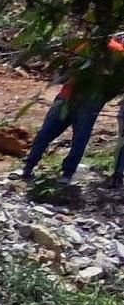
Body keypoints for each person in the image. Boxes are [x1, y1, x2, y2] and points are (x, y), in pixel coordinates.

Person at [23, 29, 124, 189]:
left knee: (45, 134)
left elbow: (70, 65)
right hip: (88, 101)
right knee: (79, 140)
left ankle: (28, 167)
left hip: (67, 97)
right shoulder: (117, 53)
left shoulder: (88, 45)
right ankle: (67, 174)